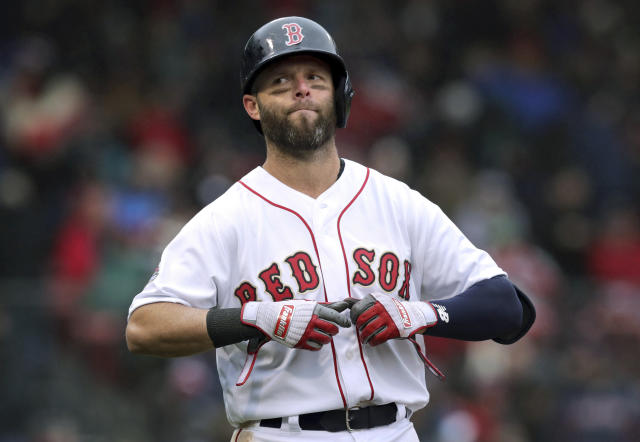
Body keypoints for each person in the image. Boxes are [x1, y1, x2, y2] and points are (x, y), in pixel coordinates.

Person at [126, 16, 535, 442]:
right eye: (281, 81)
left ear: (339, 95)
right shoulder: (226, 219)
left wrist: (419, 314)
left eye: (315, 78)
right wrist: (257, 316)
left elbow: (508, 307)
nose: (301, 88)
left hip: (394, 431)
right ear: (253, 105)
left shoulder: (397, 202)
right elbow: (144, 326)